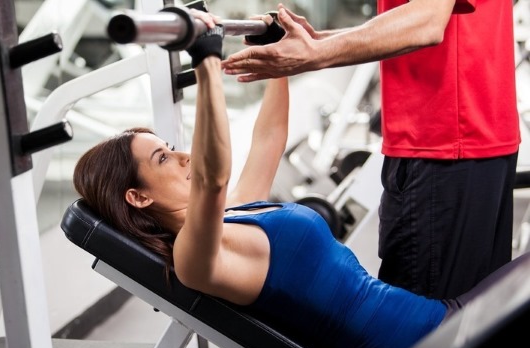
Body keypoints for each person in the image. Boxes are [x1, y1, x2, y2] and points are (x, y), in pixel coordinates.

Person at [73, 12, 521, 348]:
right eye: (164, 159)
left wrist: (277, 59)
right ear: (137, 198)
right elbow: (211, 176)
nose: (184, 156)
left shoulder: (237, 214)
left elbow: (270, 138)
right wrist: (207, 62)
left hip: (442, 318)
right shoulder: (196, 257)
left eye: (171, 148)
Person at [221, 1, 521, 300]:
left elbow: (427, 22)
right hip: (475, 137)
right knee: (473, 313)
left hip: (442, 143)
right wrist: (318, 41)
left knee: (426, 331)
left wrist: (315, 54)